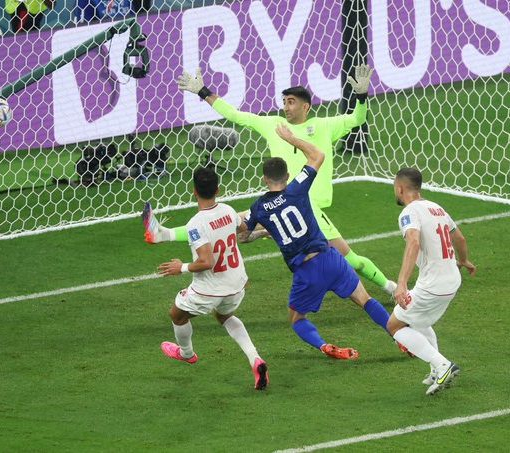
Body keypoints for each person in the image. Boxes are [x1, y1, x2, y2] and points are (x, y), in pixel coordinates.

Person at [174, 65, 396, 296]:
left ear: (305, 106)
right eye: (284, 102)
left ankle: (390, 287)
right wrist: (203, 92)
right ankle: (164, 234)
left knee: (351, 260)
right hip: (280, 203)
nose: (286, 107)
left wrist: (361, 96)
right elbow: (236, 116)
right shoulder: (274, 124)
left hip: (310, 209)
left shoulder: (324, 126)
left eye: (291, 102)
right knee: (225, 222)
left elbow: (358, 118)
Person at [239, 124, 393, 359]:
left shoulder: (258, 208)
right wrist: (292, 139)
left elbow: (243, 237)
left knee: (297, 319)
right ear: (287, 176)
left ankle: (324, 346)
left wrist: (264, 232)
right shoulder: (297, 188)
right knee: (365, 299)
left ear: (264, 179)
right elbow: (318, 155)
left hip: (306, 272)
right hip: (330, 258)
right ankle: (400, 337)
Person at [143, 167, 269, 390]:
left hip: (210, 289)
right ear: (218, 189)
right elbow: (242, 230)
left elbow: (206, 261)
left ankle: (186, 354)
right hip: (236, 284)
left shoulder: (196, 223)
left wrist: (180, 267)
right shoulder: (229, 210)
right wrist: (262, 232)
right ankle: (255, 359)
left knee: (177, 315)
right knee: (224, 315)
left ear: (194, 191)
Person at [386, 168, 476, 395]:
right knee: (419, 321)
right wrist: (464, 260)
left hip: (433, 286)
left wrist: (402, 284)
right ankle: (437, 371)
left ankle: (442, 365)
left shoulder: (409, 212)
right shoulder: (437, 208)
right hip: (452, 281)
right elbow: (459, 237)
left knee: (395, 325)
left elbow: (413, 242)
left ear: (400, 188)